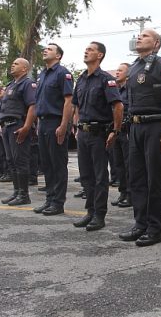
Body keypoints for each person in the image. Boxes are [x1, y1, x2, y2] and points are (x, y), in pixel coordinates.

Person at [118, 29, 161, 247]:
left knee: (154, 178)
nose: (139, 38)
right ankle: (140, 224)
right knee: (136, 177)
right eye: (139, 36)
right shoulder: (135, 66)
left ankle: (154, 229)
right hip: (136, 127)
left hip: (155, 125)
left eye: (145, 36)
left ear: (156, 43)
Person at [72, 42, 123, 231]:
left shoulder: (106, 79)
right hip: (83, 133)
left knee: (100, 176)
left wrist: (115, 131)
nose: (86, 51)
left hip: (99, 133)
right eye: (85, 49)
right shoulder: (82, 78)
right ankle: (90, 211)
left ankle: (99, 215)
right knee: (86, 175)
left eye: (91, 50)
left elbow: (118, 106)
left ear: (100, 55)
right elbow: (75, 105)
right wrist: (77, 126)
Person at [33, 43, 73, 216]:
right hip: (43, 123)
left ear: (58, 56)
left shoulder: (62, 73)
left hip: (55, 122)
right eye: (45, 48)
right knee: (47, 164)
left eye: (50, 49)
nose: (45, 50)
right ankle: (49, 199)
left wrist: (64, 125)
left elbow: (68, 101)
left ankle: (58, 202)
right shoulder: (42, 74)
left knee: (57, 164)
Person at [0, 58, 37, 206]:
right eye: (12, 63)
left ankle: (24, 194)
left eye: (16, 64)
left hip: (18, 125)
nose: (12, 65)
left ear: (24, 69)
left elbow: (32, 106)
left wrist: (27, 127)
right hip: (7, 126)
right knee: (11, 160)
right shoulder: (10, 85)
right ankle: (16, 192)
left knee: (20, 160)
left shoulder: (27, 83)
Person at [111, 62, 132, 208]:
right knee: (118, 164)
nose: (117, 73)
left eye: (120, 70)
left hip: (127, 131)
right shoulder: (115, 90)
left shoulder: (131, 89)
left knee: (129, 164)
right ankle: (123, 192)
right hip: (115, 131)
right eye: (116, 70)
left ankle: (131, 195)